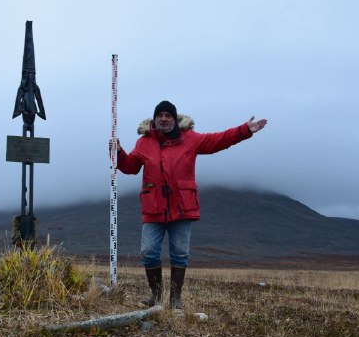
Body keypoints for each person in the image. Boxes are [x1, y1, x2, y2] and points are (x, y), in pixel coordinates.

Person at [112, 100, 267, 309]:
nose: (164, 119)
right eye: (160, 115)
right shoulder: (144, 142)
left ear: (175, 120)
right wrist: (119, 153)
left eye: (168, 115)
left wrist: (244, 131)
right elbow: (130, 167)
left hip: (182, 208)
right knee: (148, 252)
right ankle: (156, 297)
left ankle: (175, 300)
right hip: (153, 208)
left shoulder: (190, 139)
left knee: (180, 253)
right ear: (154, 119)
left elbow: (217, 141)